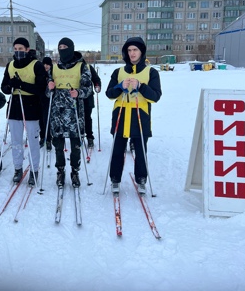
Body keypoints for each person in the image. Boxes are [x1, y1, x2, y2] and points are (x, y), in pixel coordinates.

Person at [105, 37, 161, 194]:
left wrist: (141, 86)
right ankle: (115, 179)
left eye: (135, 50)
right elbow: (109, 94)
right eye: (129, 50)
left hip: (140, 116)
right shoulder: (119, 72)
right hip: (121, 115)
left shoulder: (151, 72)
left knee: (141, 151)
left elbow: (155, 96)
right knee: (117, 150)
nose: (132, 53)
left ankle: (141, 179)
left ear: (141, 51)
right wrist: (120, 86)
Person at [1, 37, 47, 186]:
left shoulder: (37, 65)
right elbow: (3, 87)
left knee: (33, 141)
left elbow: (40, 88)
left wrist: (21, 84)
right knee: (16, 142)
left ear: (27, 50)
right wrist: (10, 87)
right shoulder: (10, 65)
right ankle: (18, 168)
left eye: (21, 49)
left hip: (32, 107)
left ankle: (34, 170)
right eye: (15, 49)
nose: (18, 52)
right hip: (15, 107)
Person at [47, 38, 92, 188]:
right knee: (58, 144)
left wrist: (79, 92)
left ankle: (75, 171)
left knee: (75, 144)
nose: (62, 49)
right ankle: (60, 171)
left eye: (65, 46)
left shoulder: (81, 66)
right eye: (60, 47)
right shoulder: (53, 68)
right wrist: (50, 87)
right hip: (57, 112)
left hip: (74, 111)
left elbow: (88, 88)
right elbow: (46, 92)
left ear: (71, 48)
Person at [83, 62, 101, 148]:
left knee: (87, 118)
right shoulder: (69, 67)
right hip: (73, 98)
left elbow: (96, 79)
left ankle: (89, 137)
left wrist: (97, 86)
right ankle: (78, 136)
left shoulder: (88, 67)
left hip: (87, 98)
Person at [39, 57, 53, 151]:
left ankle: (48, 139)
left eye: (47, 64)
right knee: (40, 121)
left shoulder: (52, 74)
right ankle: (42, 137)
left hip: (48, 100)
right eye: (44, 64)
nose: (45, 66)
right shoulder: (40, 73)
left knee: (46, 120)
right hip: (39, 100)